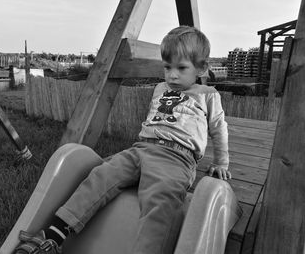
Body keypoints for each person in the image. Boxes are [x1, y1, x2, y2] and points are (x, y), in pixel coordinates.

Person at [13, 26, 231, 254]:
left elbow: (219, 129)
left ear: (202, 67)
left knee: (162, 201)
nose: (172, 75)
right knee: (101, 174)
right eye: (167, 67)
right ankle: (53, 235)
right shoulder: (160, 89)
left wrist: (221, 162)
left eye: (181, 68)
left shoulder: (208, 94)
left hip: (176, 158)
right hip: (141, 149)